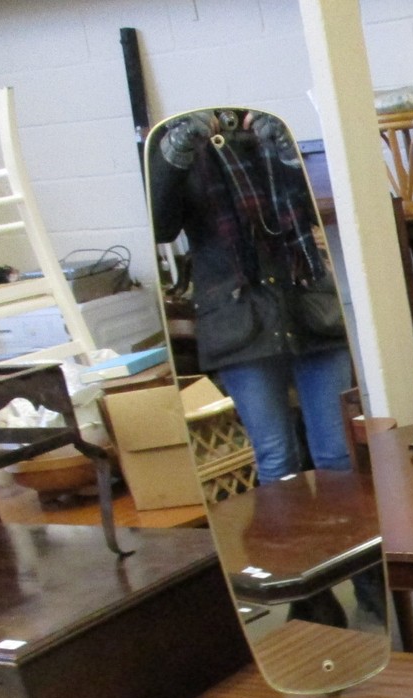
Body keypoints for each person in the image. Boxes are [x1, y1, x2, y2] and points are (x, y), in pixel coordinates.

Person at [148, 108, 352, 481]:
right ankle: (290, 538)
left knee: (338, 453)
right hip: (239, 321)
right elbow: (159, 226)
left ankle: (351, 536)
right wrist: (177, 151)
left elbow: (318, 210)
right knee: (276, 457)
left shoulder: (271, 142)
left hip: (311, 311)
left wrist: (287, 152)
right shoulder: (184, 160)